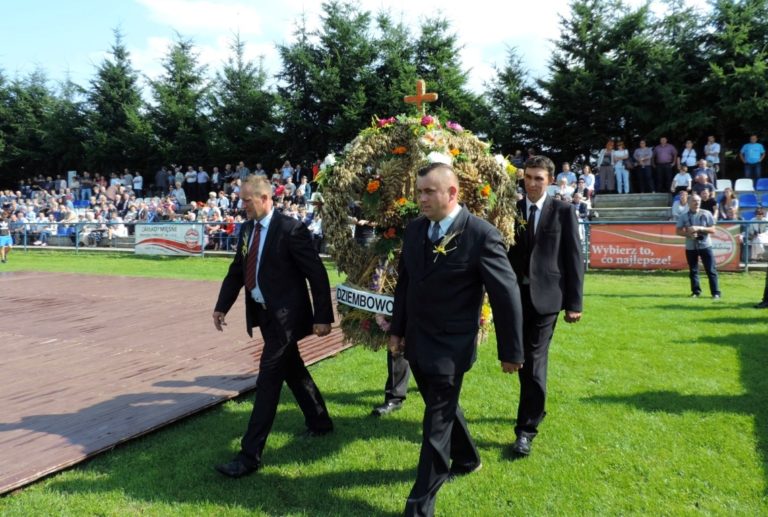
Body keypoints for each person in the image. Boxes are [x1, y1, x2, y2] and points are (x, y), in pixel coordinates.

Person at [388, 162, 524, 516]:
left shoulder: (481, 235)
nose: (421, 199)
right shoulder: (415, 230)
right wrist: (397, 331)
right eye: (419, 192)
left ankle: (419, 507)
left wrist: (511, 351)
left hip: (451, 346)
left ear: (452, 192)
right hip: (417, 341)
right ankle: (467, 459)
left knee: (436, 424)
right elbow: (405, 284)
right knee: (443, 408)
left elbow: (506, 294)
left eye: (429, 192)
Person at [212, 176, 335, 478]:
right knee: (293, 369)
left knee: (267, 382)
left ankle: (249, 456)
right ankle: (320, 421)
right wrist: (221, 306)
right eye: (241, 200)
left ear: (265, 198)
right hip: (264, 316)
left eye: (247, 200)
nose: (242, 206)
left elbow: (317, 274)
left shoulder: (291, 229)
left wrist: (322, 317)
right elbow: (237, 271)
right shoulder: (247, 230)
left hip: (286, 319)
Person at [507, 155, 584, 457]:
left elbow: (573, 258)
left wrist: (574, 303)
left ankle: (526, 431)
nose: (532, 183)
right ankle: (535, 408)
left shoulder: (563, 211)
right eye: (528, 177)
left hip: (548, 299)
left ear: (551, 181)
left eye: (538, 178)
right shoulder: (511, 211)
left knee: (534, 360)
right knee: (520, 359)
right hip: (515, 298)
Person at [675, 193, 721, 299]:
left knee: (711, 270)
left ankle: (715, 293)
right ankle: (696, 292)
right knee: (693, 270)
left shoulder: (707, 213)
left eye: (698, 201)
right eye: (694, 201)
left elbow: (713, 229)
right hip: (691, 246)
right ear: (688, 203)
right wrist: (688, 234)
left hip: (705, 245)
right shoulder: (683, 216)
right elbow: (678, 231)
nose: (697, 203)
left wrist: (700, 228)